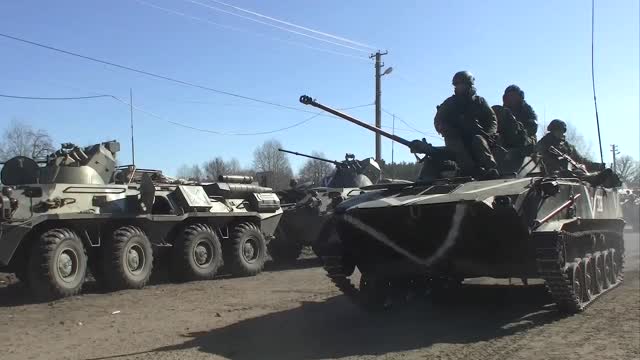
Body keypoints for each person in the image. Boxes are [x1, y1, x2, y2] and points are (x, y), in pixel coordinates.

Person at [431, 71, 499, 178]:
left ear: (469, 85)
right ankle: (470, 170)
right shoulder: (450, 103)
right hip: (456, 137)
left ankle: (490, 168)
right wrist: (446, 130)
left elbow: (492, 119)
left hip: (476, 135)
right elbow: (438, 120)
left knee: (479, 140)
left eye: (462, 84)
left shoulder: (479, 102)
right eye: (457, 85)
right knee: (456, 143)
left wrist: (489, 133)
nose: (459, 87)